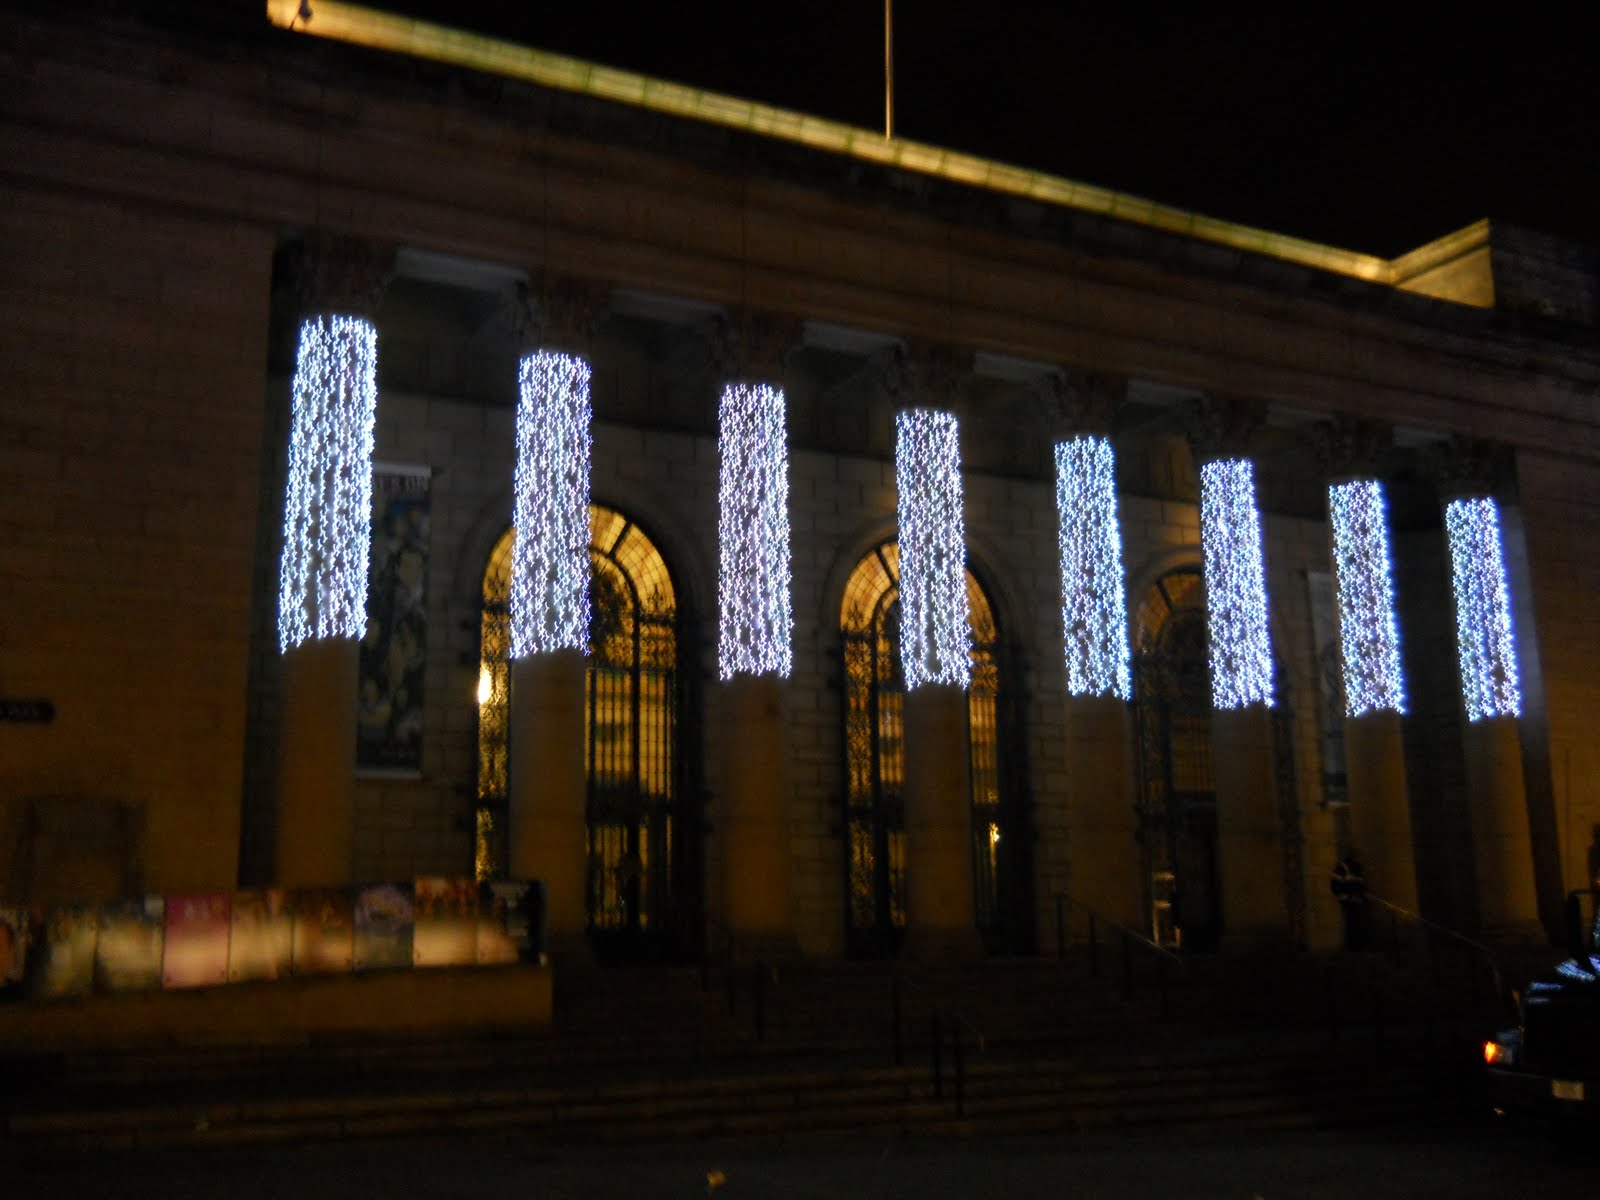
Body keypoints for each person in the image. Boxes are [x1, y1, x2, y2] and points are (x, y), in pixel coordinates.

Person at [1331, 853, 1369, 951]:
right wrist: (1345, 896)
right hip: (1350, 900)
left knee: (1355, 922)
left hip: (1354, 899)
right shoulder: (1344, 867)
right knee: (1352, 922)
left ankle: (1356, 946)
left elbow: (1360, 883)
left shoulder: (1354, 868)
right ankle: (1353, 946)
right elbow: (1337, 883)